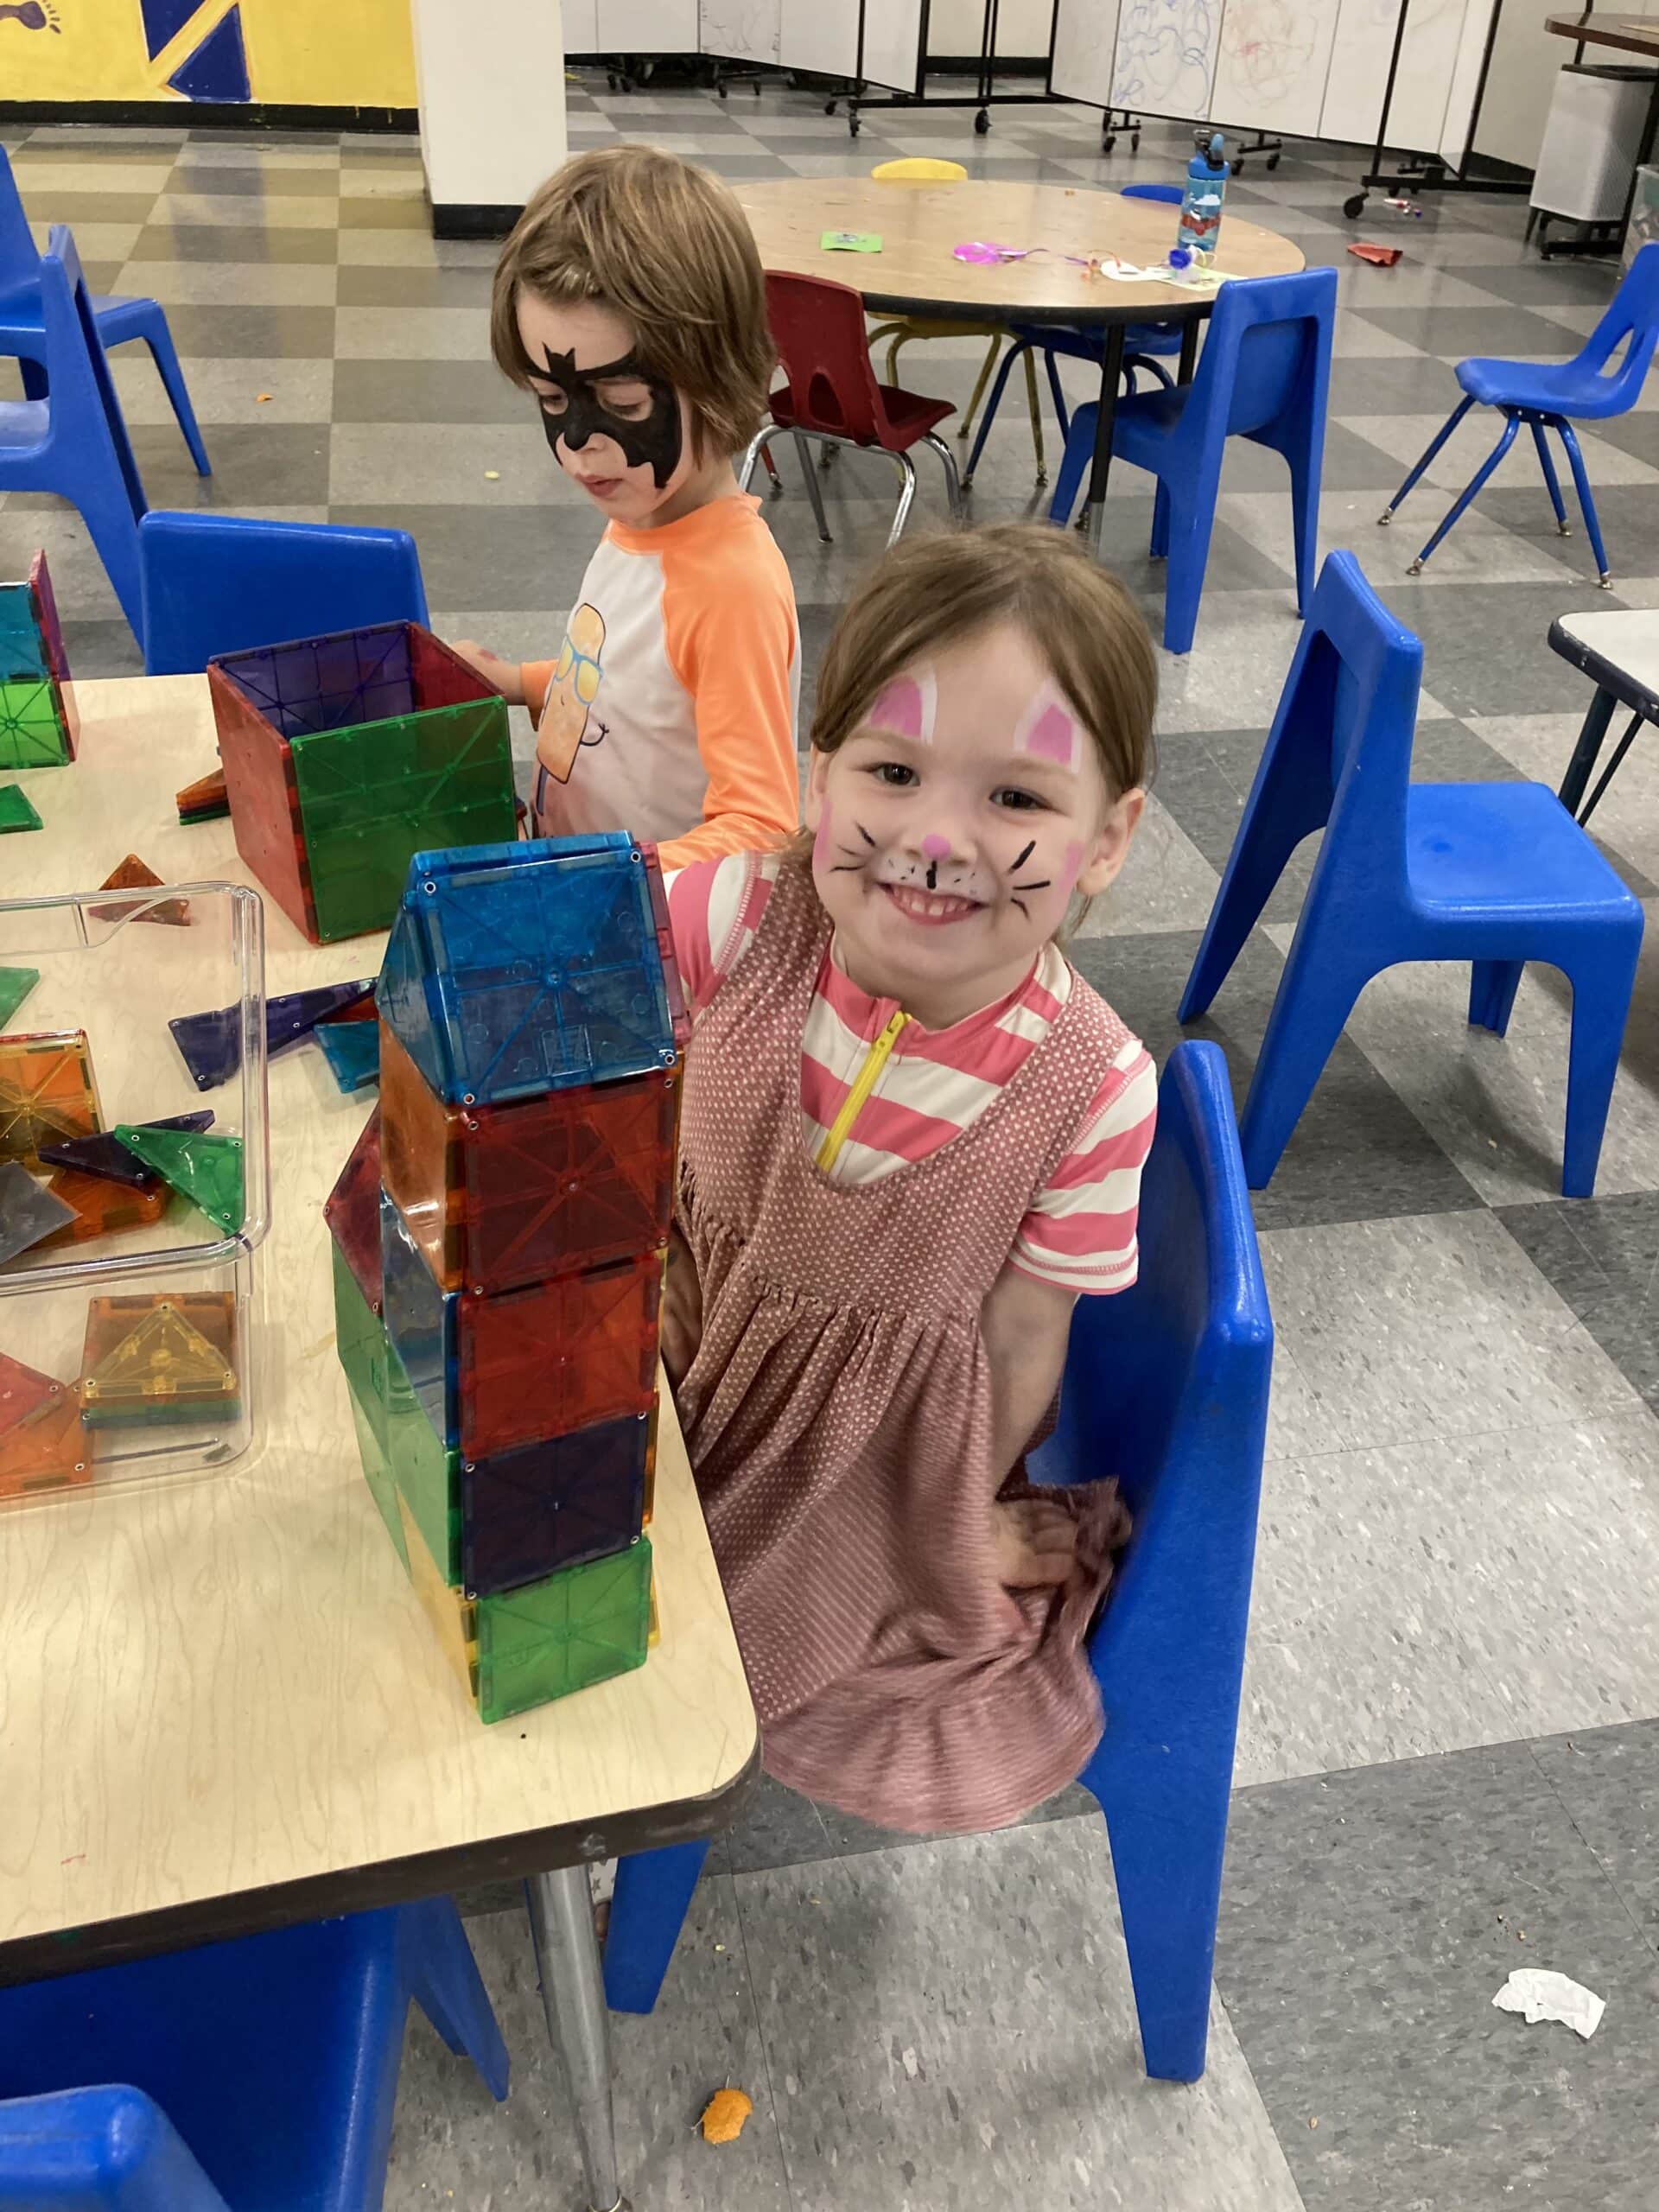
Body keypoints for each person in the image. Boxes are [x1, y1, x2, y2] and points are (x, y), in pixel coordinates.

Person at [658, 522, 1160, 1834]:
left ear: (1107, 839)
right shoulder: (730, 918)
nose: (934, 841)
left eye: (1016, 799)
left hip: (853, 1464)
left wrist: (944, 1530)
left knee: (673, 1662)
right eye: (890, 769)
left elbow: (1018, 1340)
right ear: (818, 776)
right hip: (657, 1358)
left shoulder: (1096, 1091)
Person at [452, 146, 800, 871]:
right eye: (552, 401)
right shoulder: (642, 515)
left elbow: (761, 826)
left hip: (648, 941)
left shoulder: (730, 586)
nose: (580, 444)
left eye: (622, 404)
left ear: (720, 373)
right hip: (579, 890)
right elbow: (629, 693)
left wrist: (597, 884)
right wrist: (521, 682)